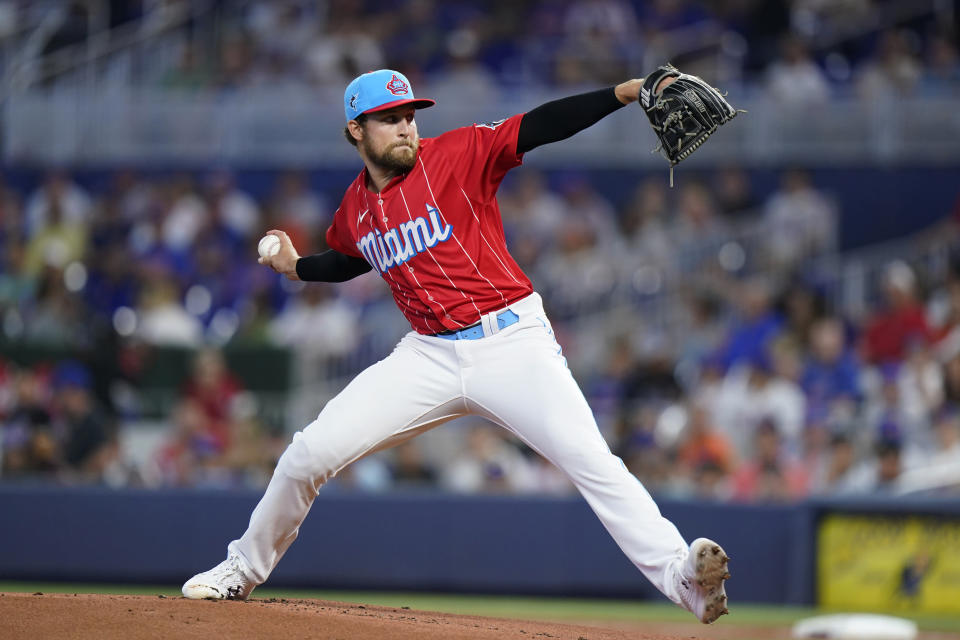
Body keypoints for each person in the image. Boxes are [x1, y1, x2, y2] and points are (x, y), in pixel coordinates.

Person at [181, 68, 731, 624]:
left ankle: (683, 579)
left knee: (593, 462)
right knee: (307, 455)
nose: (405, 128)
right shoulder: (355, 207)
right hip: (428, 354)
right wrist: (296, 267)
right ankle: (241, 570)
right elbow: (350, 257)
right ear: (356, 130)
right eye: (389, 119)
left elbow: (538, 127)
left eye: (409, 116)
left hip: (511, 341)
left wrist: (626, 92)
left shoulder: (458, 154)